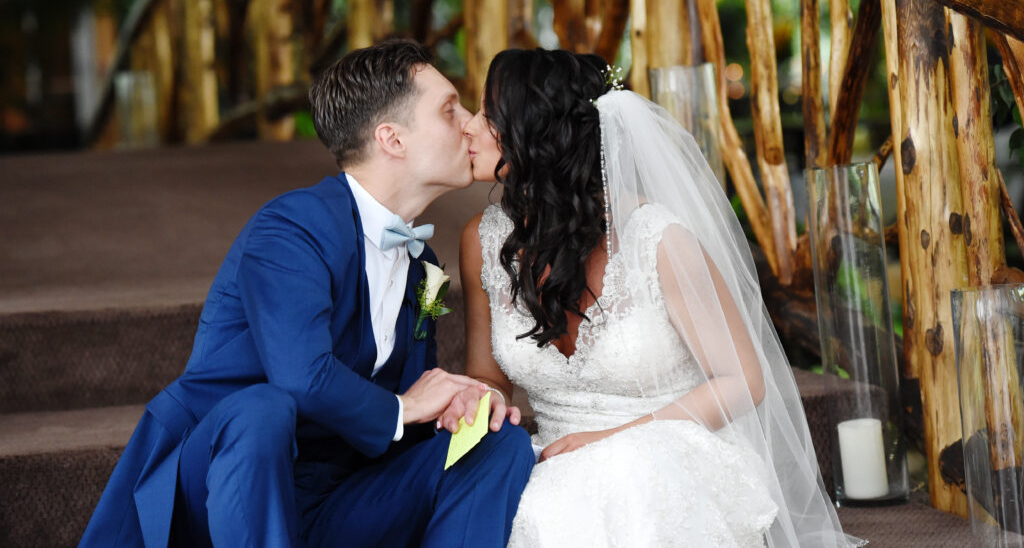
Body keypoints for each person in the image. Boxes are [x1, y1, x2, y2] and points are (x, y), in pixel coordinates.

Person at [80, 39, 534, 548]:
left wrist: (452, 407)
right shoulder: (292, 227)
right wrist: (405, 407)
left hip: (338, 493)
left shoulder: (422, 266)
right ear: (393, 139)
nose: (471, 123)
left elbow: (405, 406)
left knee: (498, 444)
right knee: (263, 412)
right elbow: (301, 376)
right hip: (225, 483)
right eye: (451, 109)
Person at [455, 48, 862, 547]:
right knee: (537, 507)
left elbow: (742, 380)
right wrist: (479, 405)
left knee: (620, 488)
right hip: (554, 459)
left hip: (666, 452)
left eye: (489, 115)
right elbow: (486, 379)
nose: (469, 128)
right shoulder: (484, 240)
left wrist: (611, 441)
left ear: (540, 135)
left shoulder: (658, 239)